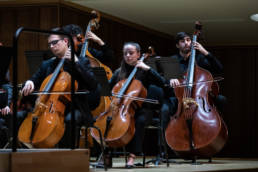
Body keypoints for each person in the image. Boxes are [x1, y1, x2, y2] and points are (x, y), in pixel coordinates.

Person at [20, 27, 99, 147]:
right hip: (47, 106)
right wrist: (30, 82)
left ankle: (66, 157)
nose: (51, 46)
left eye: (54, 42)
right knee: (19, 115)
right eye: (49, 44)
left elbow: (93, 84)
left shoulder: (82, 61)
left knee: (69, 119)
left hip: (76, 107)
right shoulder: (47, 64)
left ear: (66, 41)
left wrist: (76, 63)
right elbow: (35, 79)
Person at [108, 42, 167, 168]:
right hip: (121, 108)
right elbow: (107, 88)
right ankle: (106, 154)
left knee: (138, 121)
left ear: (138, 54)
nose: (128, 56)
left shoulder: (145, 71)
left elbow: (163, 83)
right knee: (108, 120)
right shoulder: (119, 72)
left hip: (143, 109)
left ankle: (132, 156)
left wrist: (148, 69)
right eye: (125, 54)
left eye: (131, 53)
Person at [161, 31, 226, 131]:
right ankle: (164, 143)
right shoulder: (172, 60)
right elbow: (164, 80)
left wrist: (204, 51)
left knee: (221, 99)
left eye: (188, 40)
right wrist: (171, 79)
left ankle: (217, 126)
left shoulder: (199, 59)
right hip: (178, 98)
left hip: (198, 97)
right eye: (182, 41)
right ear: (177, 45)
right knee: (165, 110)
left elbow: (219, 68)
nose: (186, 43)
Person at [62, 24, 114, 111]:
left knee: (100, 73)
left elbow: (109, 57)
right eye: (66, 40)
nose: (81, 41)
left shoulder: (88, 51)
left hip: (94, 97)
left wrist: (99, 41)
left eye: (80, 38)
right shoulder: (65, 57)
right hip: (75, 100)